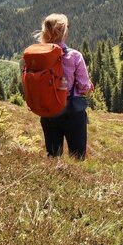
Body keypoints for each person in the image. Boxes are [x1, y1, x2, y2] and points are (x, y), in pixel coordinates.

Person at [34, 13, 94, 159]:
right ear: (63, 32)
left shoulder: (37, 56)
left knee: (53, 156)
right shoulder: (74, 56)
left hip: (48, 111)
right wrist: (87, 87)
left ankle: (54, 181)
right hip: (72, 111)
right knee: (78, 157)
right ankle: (76, 181)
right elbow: (84, 87)